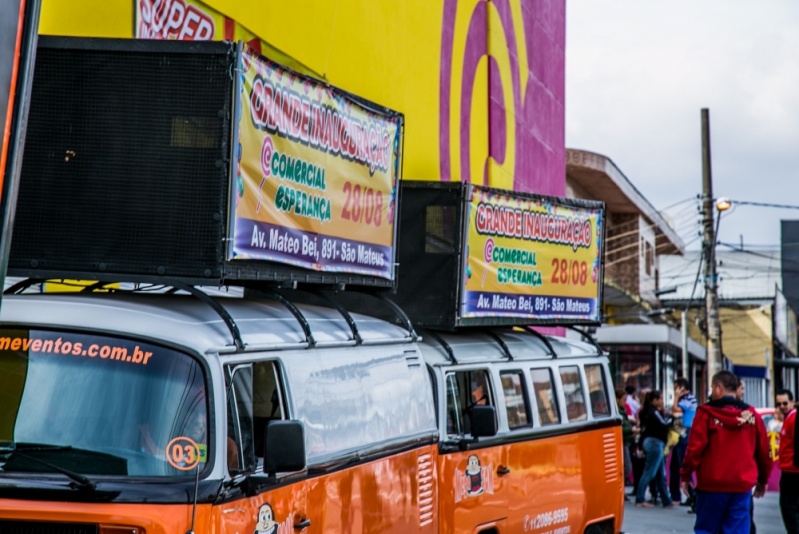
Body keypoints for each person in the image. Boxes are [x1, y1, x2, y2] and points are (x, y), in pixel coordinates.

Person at [680, 371, 771, 534]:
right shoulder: (751, 416)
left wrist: (685, 475)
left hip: (711, 485)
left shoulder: (705, 414)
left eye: (712, 387)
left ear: (718, 388)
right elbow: (764, 451)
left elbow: (694, 449)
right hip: (741, 486)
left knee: (706, 529)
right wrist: (763, 480)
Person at [635, 390, 676, 508]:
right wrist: (672, 418)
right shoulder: (653, 412)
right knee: (650, 472)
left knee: (659, 474)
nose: (662, 401)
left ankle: (666, 500)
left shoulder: (648, 411)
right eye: (660, 399)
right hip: (655, 443)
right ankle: (640, 498)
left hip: (654, 443)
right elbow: (663, 424)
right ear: (654, 400)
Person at [670, 377, 698, 506]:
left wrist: (676, 396)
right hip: (680, 432)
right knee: (675, 465)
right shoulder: (685, 399)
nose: (675, 390)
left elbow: (675, 409)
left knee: (682, 465)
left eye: (677, 387)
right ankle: (676, 495)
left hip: (685, 432)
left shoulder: (689, 399)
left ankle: (692, 495)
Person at [778, 389, 799, 533]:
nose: (782, 406)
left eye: (785, 403)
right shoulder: (788, 418)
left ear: (792, 402)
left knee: (789, 508)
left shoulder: (793, 418)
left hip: (792, 470)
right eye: (779, 403)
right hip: (789, 468)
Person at [616, 388, 635, 498]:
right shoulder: (619, 412)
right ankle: (620, 490)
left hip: (626, 441)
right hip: (622, 442)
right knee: (626, 467)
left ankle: (620, 490)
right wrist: (631, 430)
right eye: (623, 400)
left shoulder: (623, 411)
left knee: (625, 467)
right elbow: (620, 429)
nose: (625, 402)